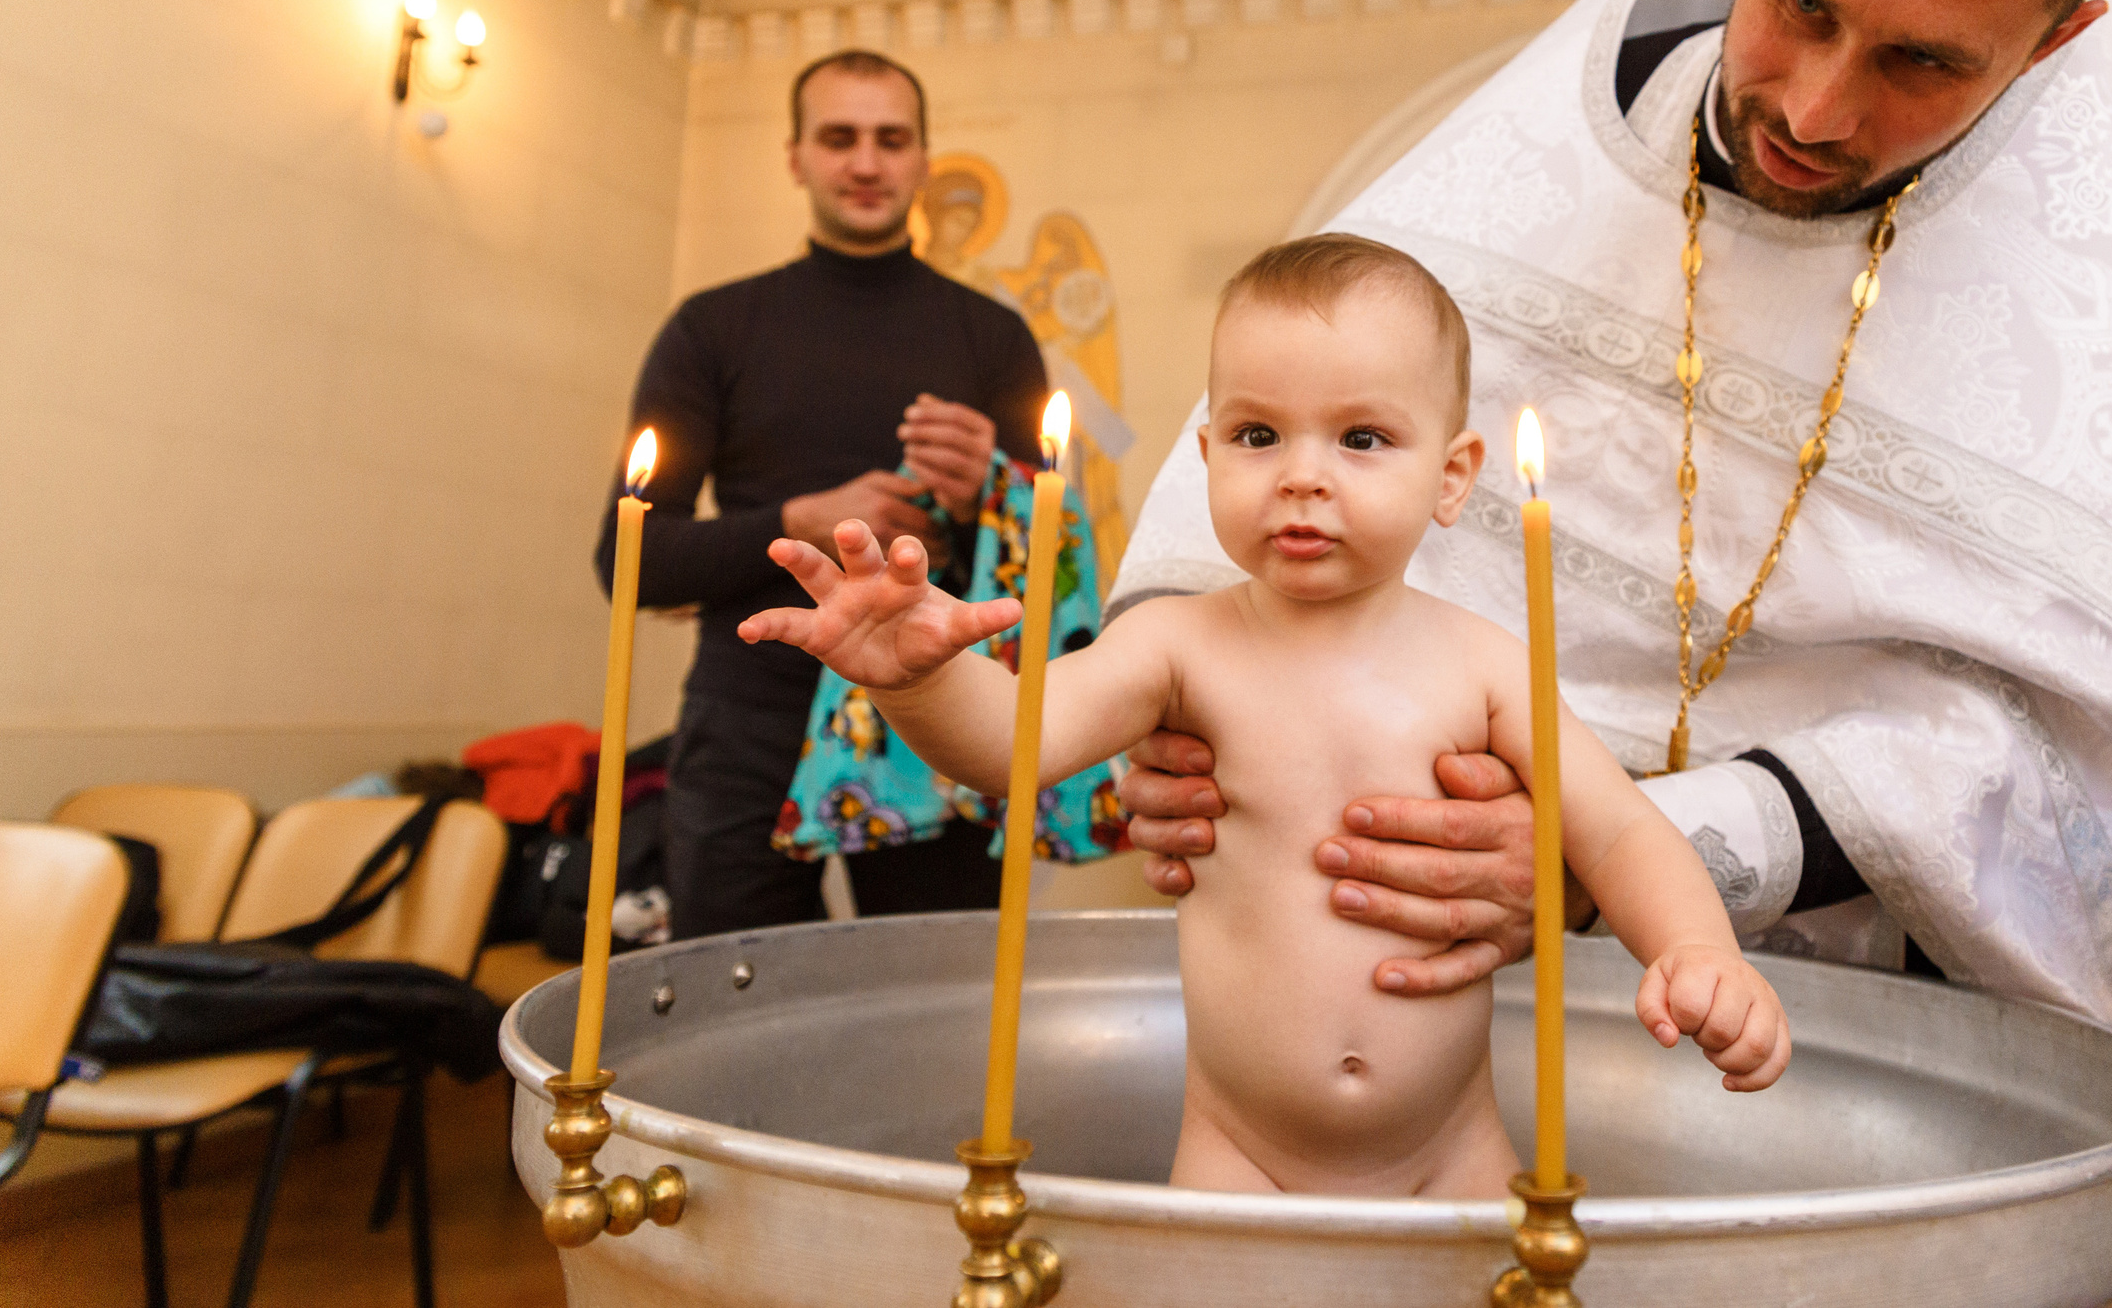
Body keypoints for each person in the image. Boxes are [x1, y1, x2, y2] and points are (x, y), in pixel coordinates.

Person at [1112, 0, 2112, 1234]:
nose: (1813, 104)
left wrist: (1657, 843)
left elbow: (2100, 776)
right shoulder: (1525, 190)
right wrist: (1183, 719)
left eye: (1926, 61)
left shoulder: (2066, 337)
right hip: (1380, 1018)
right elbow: (1230, 509)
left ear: (2054, 40)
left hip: (1820, 1070)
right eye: (1800, 0)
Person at [741, 236, 1788, 1195]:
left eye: (1362, 438)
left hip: (1452, 1155)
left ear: (1452, 476)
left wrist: (1698, 950)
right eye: (1257, 434)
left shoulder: (1485, 667)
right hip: (1241, 1157)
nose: (1300, 476)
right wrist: (916, 680)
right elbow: (1015, 744)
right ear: (1206, 458)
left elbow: (1610, 828)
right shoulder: (1179, 648)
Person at [596, 50, 1049, 939]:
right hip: (748, 717)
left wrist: (982, 497)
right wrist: (798, 520)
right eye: (839, 137)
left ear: (924, 158)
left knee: (933, 1010)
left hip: (934, 715)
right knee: (728, 1008)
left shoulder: (991, 336)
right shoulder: (714, 326)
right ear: (796, 155)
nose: (867, 163)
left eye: (891, 139)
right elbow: (628, 560)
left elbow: (1046, 570)